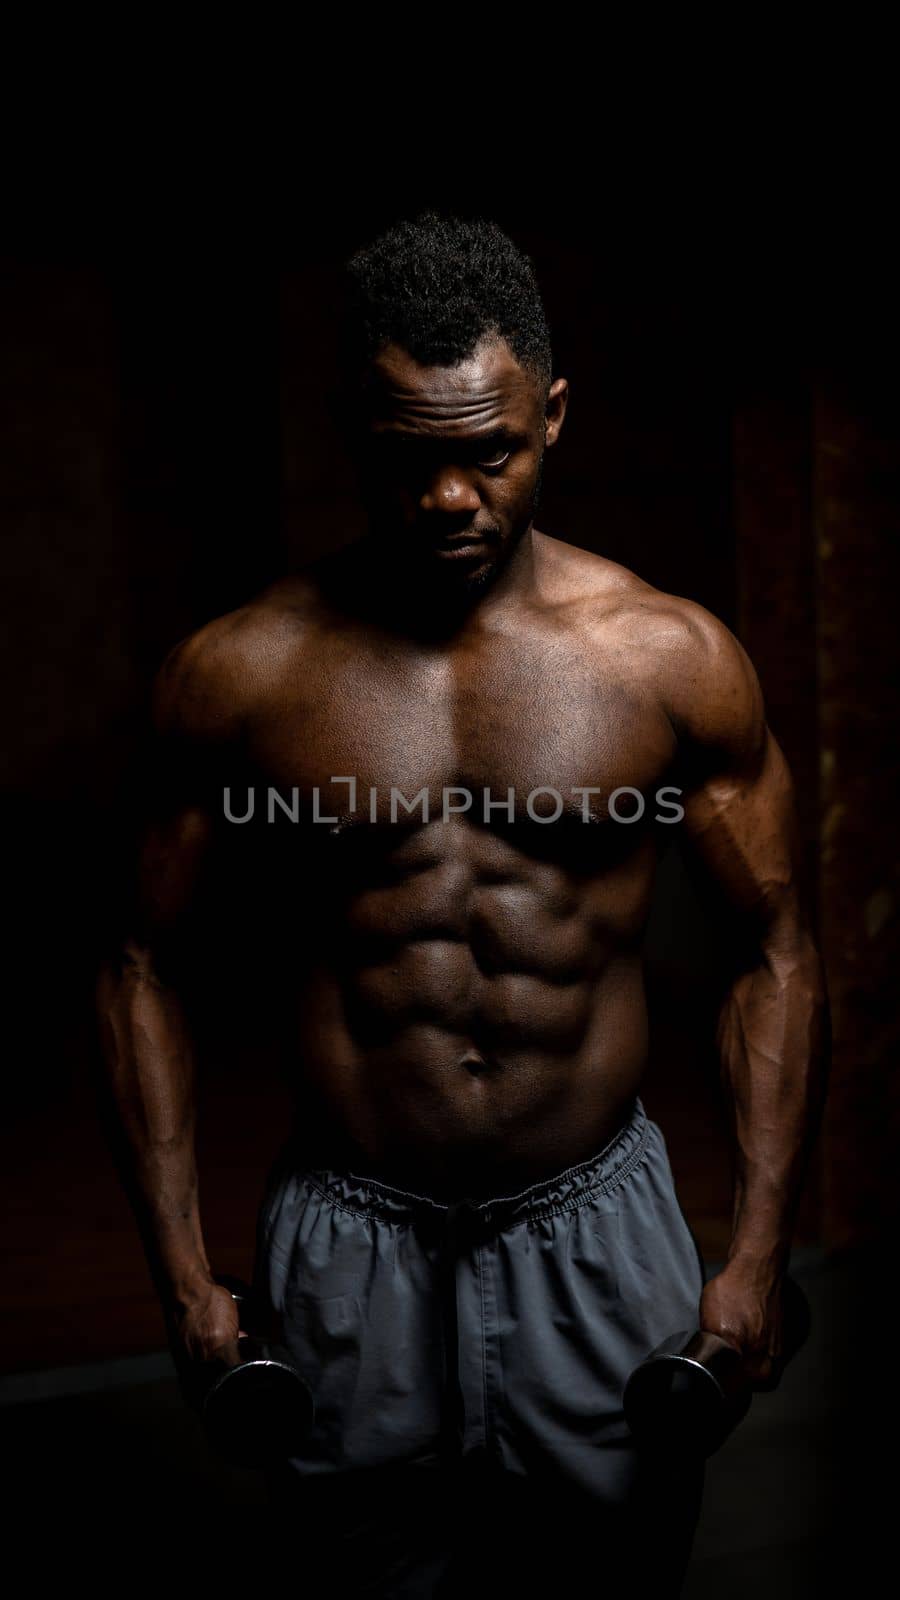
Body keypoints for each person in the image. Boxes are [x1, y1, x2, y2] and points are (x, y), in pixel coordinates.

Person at [95, 210, 830, 1595]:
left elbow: (777, 953)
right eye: (411, 458)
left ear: (554, 415)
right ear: (347, 429)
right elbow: (140, 962)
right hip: (350, 1228)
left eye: (491, 451)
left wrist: (753, 1255)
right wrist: (185, 1277)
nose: (451, 500)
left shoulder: (670, 663)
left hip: (595, 1219)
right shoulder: (239, 677)